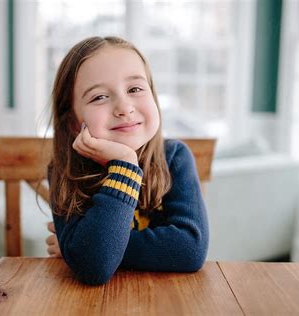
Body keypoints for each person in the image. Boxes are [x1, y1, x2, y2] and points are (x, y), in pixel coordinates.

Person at [44, 36, 209, 285]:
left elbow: (189, 250)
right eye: (99, 97)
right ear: (74, 123)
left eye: (135, 89)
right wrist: (125, 165)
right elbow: (93, 268)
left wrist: (80, 249)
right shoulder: (63, 170)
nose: (124, 107)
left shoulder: (175, 158)